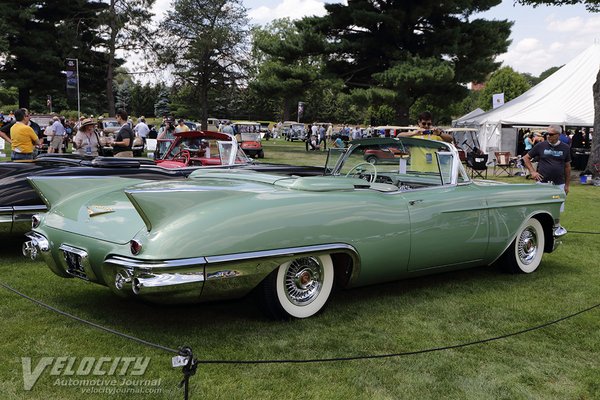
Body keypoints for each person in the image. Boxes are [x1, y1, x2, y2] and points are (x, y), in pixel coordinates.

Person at [523, 125, 570, 233]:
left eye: (551, 134)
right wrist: (532, 172)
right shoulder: (540, 146)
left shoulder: (565, 148)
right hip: (542, 183)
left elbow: (567, 167)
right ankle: (538, 229)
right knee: (538, 207)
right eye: (547, 133)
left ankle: (555, 229)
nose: (548, 136)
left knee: (557, 208)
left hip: (559, 184)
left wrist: (567, 185)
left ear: (558, 135)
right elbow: (526, 158)